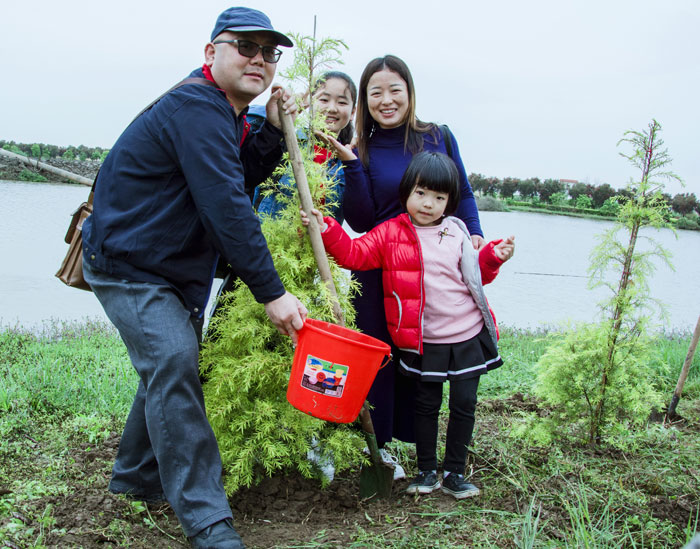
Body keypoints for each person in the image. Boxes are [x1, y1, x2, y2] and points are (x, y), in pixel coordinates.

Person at [81, 7, 306, 548]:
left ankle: (136, 477)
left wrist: (271, 133)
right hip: (131, 267)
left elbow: (234, 173)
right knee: (175, 361)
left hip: (171, 270)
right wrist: (272, 292)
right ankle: (208, 522)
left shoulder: (226, 112)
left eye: (269, 53)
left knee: (168, 361)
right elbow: (228, 206)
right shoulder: (197, 107)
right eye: (244, 47)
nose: (259, 60)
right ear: (211, 53)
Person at [301, 151, 514, 499]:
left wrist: (493, 256)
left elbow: (477, 277)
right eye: (421, 193)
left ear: (450, 201)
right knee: (425, 405)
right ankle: (427, 471)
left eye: (439, 197)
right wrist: (328, 228)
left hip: (466, 334)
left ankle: (454, 472)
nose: (428, 204)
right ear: (407, 192)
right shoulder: (390, 233)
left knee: (464, 404)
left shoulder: (457, 231)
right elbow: (353, 254)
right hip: (425, 340)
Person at [319, 55, 485, 474]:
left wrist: (474, 233)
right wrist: (352, 166)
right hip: (378, 264)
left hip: (432, 269)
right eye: (375, 92)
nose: (386, 100)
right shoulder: (360, 145)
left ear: (410, 93)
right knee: (372, 357)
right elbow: (359, 219)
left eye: (395, 89)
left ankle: (415, 450)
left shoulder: (438, 137)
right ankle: (370, 445)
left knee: (419, 357)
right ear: (365, 100)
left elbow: (461, 192)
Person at [253, 70, 357, 223]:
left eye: (342, 102)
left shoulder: (348, 163)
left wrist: (354, 163)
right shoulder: (287, 142)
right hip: (270, 242)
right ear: (310, 104)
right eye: (324, 99)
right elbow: (249, 131)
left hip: (320, 246)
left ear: (353, 112)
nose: (332, 108)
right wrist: (282, 113)